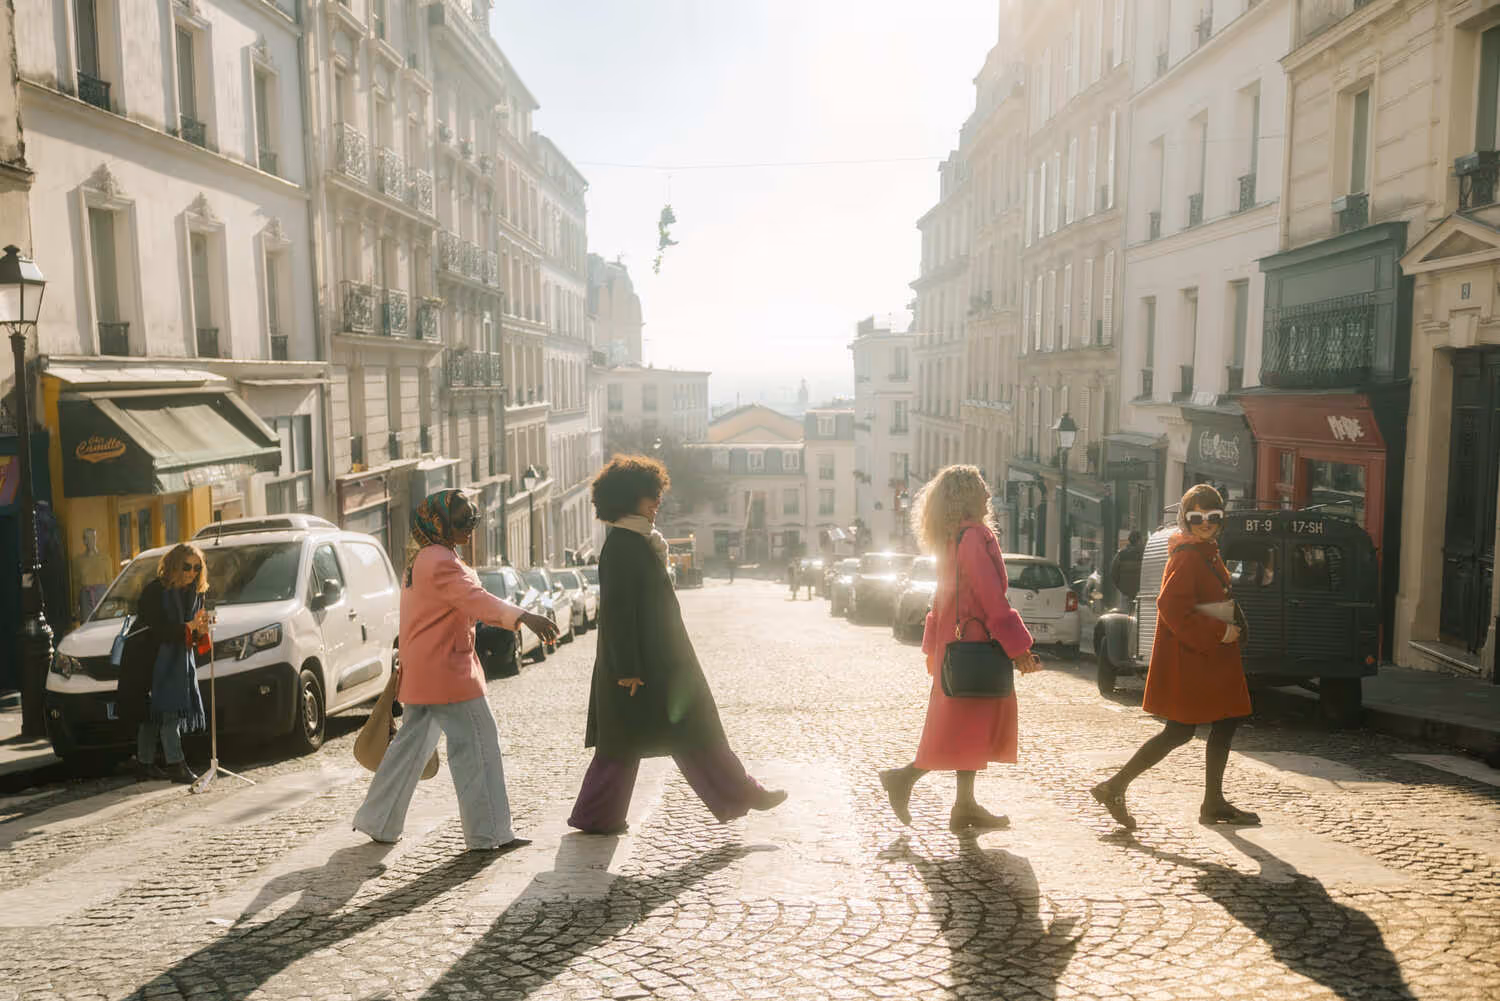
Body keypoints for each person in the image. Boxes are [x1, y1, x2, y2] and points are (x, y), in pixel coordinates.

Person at [569, 455, 787, 834]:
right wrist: (627, 670)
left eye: (657, 495)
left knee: (668, 738)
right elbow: (618, 615)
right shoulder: (623, 545)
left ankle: (598, 815)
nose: (657, 502)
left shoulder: (636, 541)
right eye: (649, 496)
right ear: (627, 498)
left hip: (661, 663)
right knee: (635, 744)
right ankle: (596, 816)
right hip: (641, 668)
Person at [353, 489, 558, 850]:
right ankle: (490, 833)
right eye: (461, 520)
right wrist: (524, 615)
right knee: (478, 747)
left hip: (423, 672)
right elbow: (474, 600)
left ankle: (378, 820)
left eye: (473, 518)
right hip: (449, 673)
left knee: (408, 751)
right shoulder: (441, 561)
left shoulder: (420, 560)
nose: (470, 527)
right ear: (438, 523)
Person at [878, 465, 1043, 832]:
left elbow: (942, 598)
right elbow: (991, 599)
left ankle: (963, 806)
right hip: (975, 648)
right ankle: (904, 779)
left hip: (954, 648)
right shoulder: (974, 538)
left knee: (967, 728)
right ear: (968, 495)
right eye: (982, 487)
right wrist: (1019, 649)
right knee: (961, 728)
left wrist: (932, 648)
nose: (988, 493)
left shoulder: (953, 538)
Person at [1090, 484, 1258, 830]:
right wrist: (1218, 631)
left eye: (1213, 516)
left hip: (1208, 657)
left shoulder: (1204, 550)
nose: (1205, 523)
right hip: (1198, 657)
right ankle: (1116, 785)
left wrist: (1231, 618)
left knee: (1223, 722)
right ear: (1185, 519)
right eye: (1197, 517)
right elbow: (1170, 605)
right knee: (1180, 731)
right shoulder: (1188, 555)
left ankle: (1212, 801)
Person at [120, 542, 212, 784]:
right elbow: (158, 629)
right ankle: (176, 765)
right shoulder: (155, 591)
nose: (192, 573)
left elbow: (192, 630)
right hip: (149, 658)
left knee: (154, 713)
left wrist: (201, 630)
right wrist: (187, 628)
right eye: (186, 567)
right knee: (166, 710)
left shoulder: (194, 593)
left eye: (196, 567)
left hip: (177, 658)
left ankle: (144, 763)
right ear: (173, 565)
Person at [1111, 531, 1144, 607]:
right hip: (1140, 592)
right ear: (1139, 540)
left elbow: (1113, 573)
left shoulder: (1121, 554)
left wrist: (1120, 587)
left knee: (1124, 615)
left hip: (1125, 592)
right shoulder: (1144, 554)